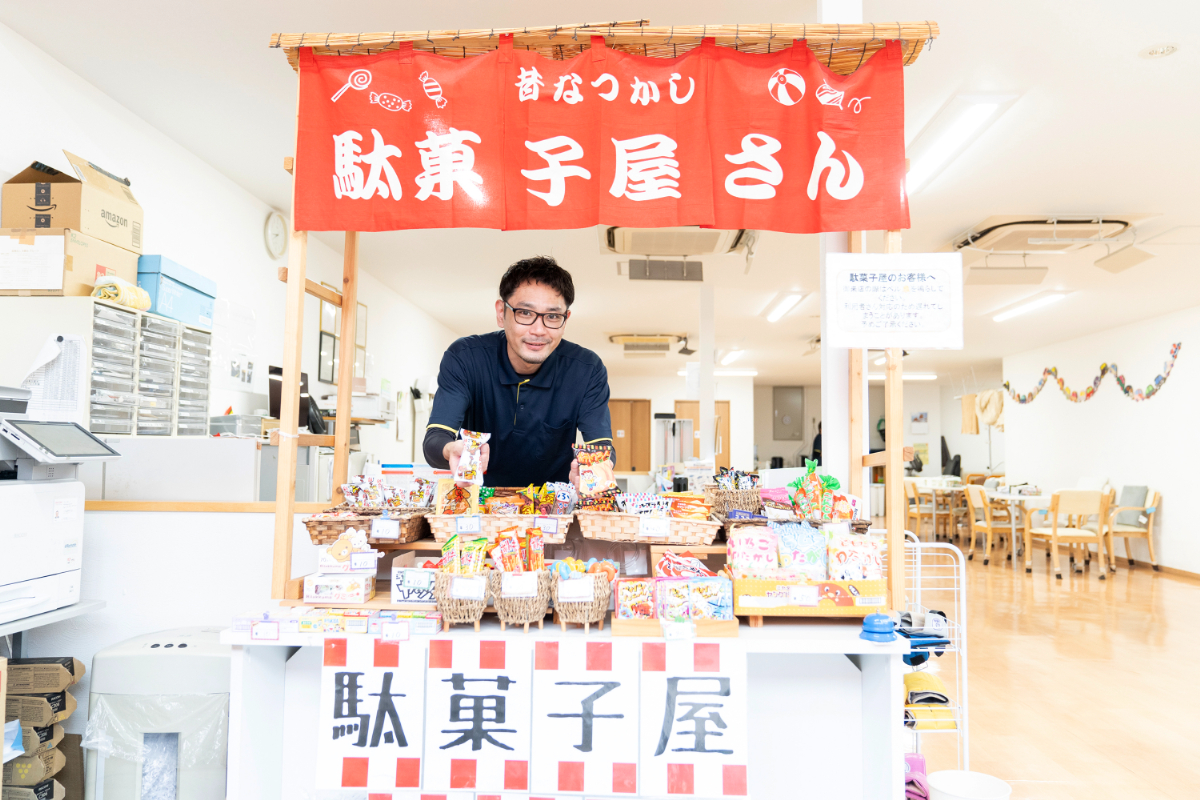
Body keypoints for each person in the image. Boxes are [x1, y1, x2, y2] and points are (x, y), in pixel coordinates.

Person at [422, 256, 613, 487]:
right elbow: (435, 439)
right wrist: (450, 449)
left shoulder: (587, 369)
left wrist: (593, 468)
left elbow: (602, 448)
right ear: (501, 312)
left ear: (565, 320)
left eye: (552, 316)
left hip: (553, 513)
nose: (539, 330)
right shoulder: (465, 357)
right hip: (479, 509)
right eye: (525, 313)